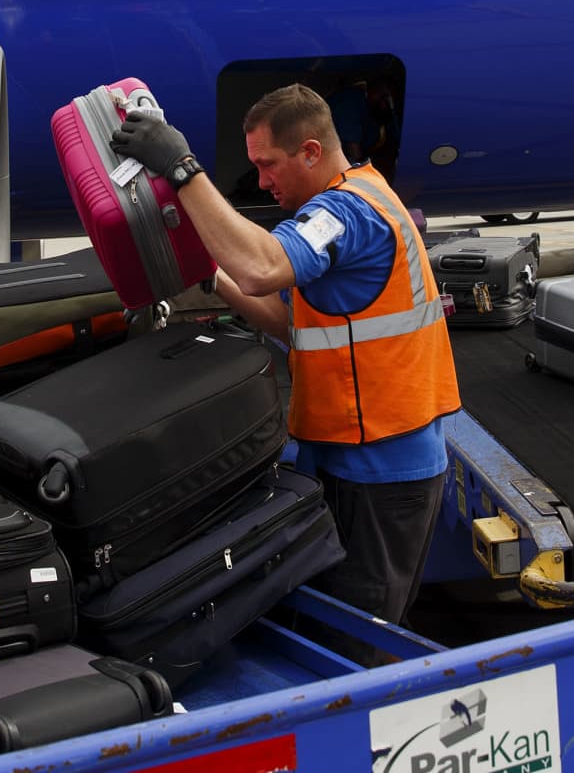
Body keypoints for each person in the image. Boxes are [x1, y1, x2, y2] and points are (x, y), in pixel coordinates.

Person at [111, 83, 460, 639]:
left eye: (268, 165)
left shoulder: (347, 212)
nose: (262, 181)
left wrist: (182, 170)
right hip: (347, 455)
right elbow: (291, 321)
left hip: (383, 470)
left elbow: (263, 266)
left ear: (312, 153)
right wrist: (203, 273)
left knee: (359, 637)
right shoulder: (358, 199)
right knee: (334, 622)